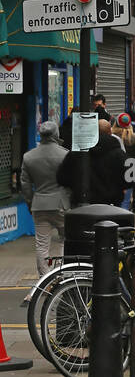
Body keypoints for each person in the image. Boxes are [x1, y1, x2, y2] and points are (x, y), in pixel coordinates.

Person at [20, 120, 70, 291]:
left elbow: (25, 185)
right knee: (65, 240)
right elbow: (71, 182)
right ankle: (63, 277)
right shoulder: (64, 155)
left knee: (42, 245)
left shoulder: (29, 156)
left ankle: (45, 280)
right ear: (56, 134)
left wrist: (30, 202)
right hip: (62, 204)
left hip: (39, 205)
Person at [58, 119, 127, 206]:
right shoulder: (119, 154)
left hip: (83, 204)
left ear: (93, 131)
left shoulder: (77, 153)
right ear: (110, 132)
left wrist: (76, 185)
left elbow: (62, 177)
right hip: (111, 204)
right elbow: (130, 178)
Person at [114, 113, 135, 212]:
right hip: (132, 165)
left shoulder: (113, 136)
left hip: (118, 166)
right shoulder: (133, 137)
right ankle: (134, 206)